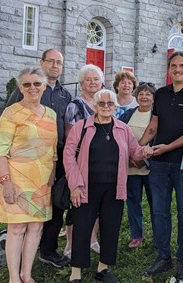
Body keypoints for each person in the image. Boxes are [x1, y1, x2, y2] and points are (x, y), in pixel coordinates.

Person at [64, 89, 150, 283]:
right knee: (82, 228)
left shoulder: (122, 128)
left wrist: (143, 151)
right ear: (95, 106)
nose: (105, 107)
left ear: (115, 106)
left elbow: (134, 152)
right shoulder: (81, 127)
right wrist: (75, 185)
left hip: (114, 187)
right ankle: (75, 271)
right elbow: (68, 157)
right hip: (85, 186)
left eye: (109, 103)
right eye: (101, 104)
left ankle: (103, 268)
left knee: (111, 227)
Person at [140, 51, 183, 279]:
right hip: (159, 165)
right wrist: (138, 148)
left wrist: (167, 146)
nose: (177, 70)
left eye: (182, 66)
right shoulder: (160, 94)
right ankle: (163, 256)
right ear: (169, 69)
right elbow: (154, 126)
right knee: (159, 212)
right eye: (173, 66)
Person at [6, 49, 73, 268]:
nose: (55, 66)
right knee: (25, 203)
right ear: (41, 62)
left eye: (59, 63)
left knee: (55, 202)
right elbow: (10, 121)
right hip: (26, 160)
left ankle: (47, 249)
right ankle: (21, 246)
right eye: (51, 61)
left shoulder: (65, 94)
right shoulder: (28, 88)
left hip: (57, 156)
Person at [0, 66, 57, 283]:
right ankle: (13, 278)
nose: (32, 88)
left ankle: (26, 274)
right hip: (16, 178)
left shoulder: (51, 114)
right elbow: (0, 151)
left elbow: (53, 151)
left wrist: (52, 174)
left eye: (37, 83)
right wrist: (5, 182)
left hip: (42, 181)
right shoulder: (11, 113)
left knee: (36, 227)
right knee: (18, 228)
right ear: (20, 87)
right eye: (27, 84)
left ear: (45, 86)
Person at [64, 64, 104, 258]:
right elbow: (70, 138)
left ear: (102, 82)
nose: (92, 83)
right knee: (76, 204)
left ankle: (92, 240)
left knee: (96, 203)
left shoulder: (105, 103)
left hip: (101, 163)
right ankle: (70, 245)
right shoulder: (75, 106)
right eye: (88, 80)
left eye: (96, 79)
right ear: (81, 83)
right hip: (81, 162)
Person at [119, 82, 157, 248]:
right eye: (141, 93)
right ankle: (137, 236)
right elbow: (118, 136)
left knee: (155, 203)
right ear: (136, 96)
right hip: (130, 166)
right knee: (133, 202)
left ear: (154, 98)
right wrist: (129, 157)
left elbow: (158, 139)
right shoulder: (127, 114)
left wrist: (144, 158)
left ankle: (159, 235)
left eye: (148, 94)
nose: (144, 97)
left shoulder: (156, 117)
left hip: (151, 167)